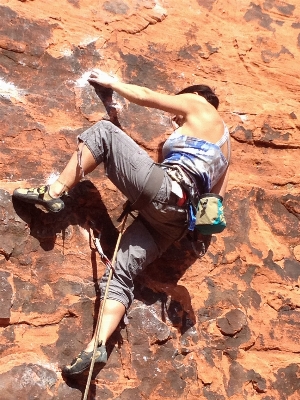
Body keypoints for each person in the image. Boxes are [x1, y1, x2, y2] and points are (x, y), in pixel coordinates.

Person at [13, 69, 230, 376]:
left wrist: (112, 83)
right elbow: (215, 205)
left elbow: (148, 98)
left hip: (165, 191)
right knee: (120, 270)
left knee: (104, 133)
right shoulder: (226, 149)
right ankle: (97, 345)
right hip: (175, 224)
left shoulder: (199, 105)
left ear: (193, 97)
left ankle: (52, 192)